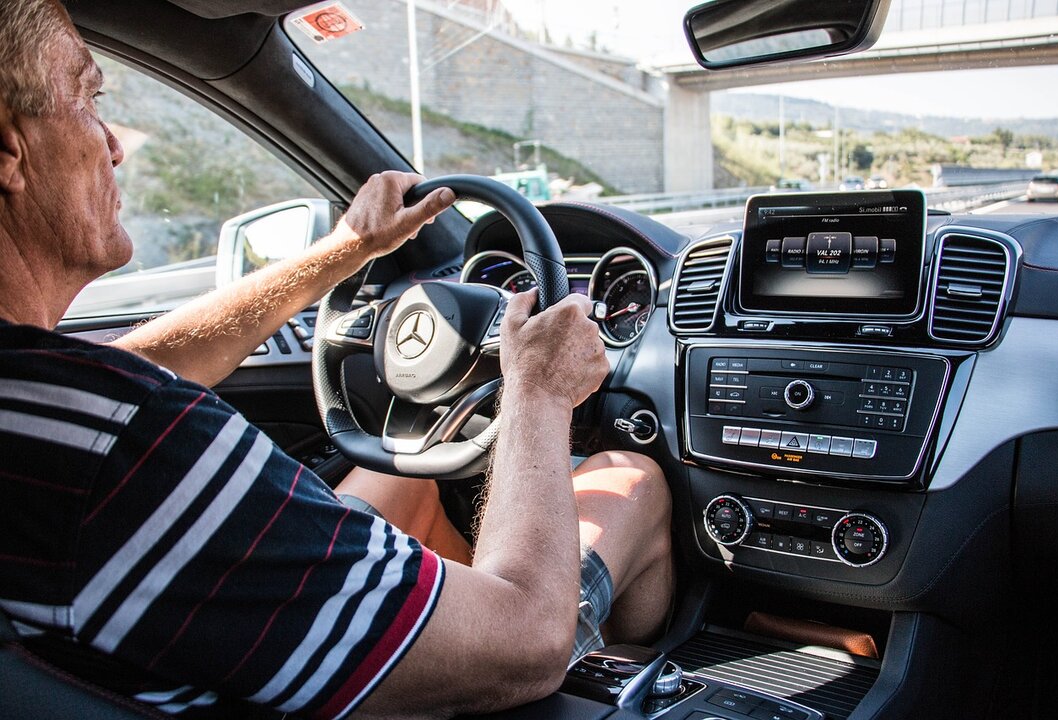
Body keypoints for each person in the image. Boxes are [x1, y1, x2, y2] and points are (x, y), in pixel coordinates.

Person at [0, 1, 674, 719]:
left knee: (402, 482)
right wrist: (537, 392)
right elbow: (527, 641)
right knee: (631, 481)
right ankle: (626, 688)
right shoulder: (128, 453)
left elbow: (135, 366)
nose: (113, 144)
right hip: (459, 669)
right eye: (88, 100)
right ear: (8, 152)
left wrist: (347, 250)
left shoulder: (48, 406)